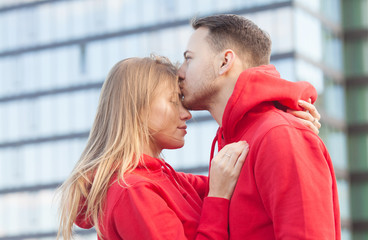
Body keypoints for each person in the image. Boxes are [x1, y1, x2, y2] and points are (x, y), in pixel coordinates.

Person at [57, 55, 320, 240]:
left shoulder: (167, 180)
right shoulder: (132, 191)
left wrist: (288, 120)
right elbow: (220, 190)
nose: (187, 114)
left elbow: (243, 182)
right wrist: (217, 197)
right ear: (136, 109)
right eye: (174, 102)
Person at [178, 14, 340, 239]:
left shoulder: (280, 136)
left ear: (224, 62)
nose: (180, 72)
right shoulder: (239, 141)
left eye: (189, 58)